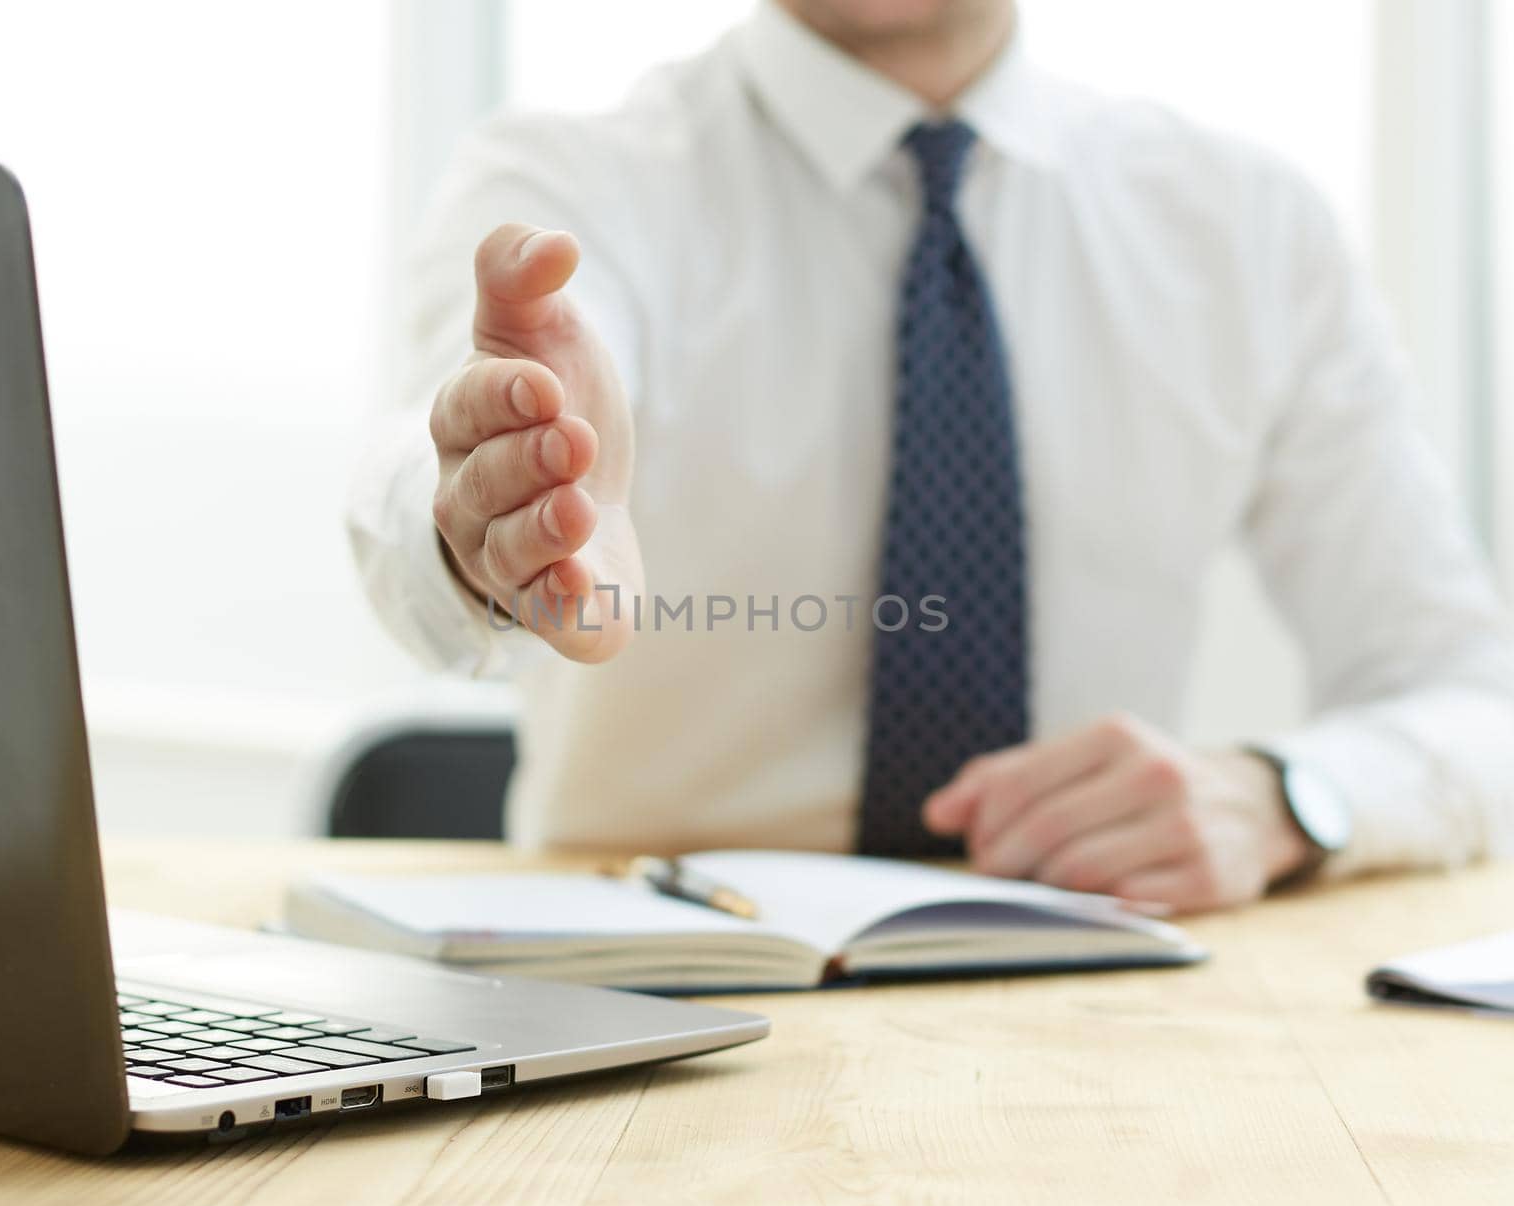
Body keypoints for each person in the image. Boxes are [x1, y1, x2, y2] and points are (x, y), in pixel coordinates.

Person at [347, 0, 1514, 910]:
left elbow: (1469, 698)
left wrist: (1288, 799)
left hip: (1099, 1007)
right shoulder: (567, 188)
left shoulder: (1250, 229)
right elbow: (417, 486)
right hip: (644, 1004)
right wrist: (486, 519)